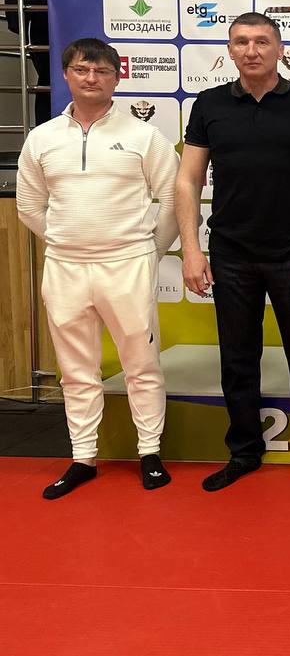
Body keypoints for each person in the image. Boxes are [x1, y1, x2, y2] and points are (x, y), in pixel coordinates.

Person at [176, 12, 290, 493]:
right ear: (229, 51)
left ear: (280, 49)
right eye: (241, 42)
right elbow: (188, 180)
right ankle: (244, 452)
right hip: (230, 254)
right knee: (237, 359)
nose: (251, 50)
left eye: (261, 41)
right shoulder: (209, 105)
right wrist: (190, 250)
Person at [16, 38, 178, 498]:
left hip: (127, 265)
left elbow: (172, 200)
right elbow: (29, 206)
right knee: (75, 370)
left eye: (103, 71)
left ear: (117, 78)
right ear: (66, 74)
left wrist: (147, 253)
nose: (92, 78)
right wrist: (67, 240)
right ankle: (82, 458)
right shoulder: (42, 138)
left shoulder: (144, 136)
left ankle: (150, 453)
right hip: (65, 267)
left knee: (141, 364)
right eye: (82, 69)